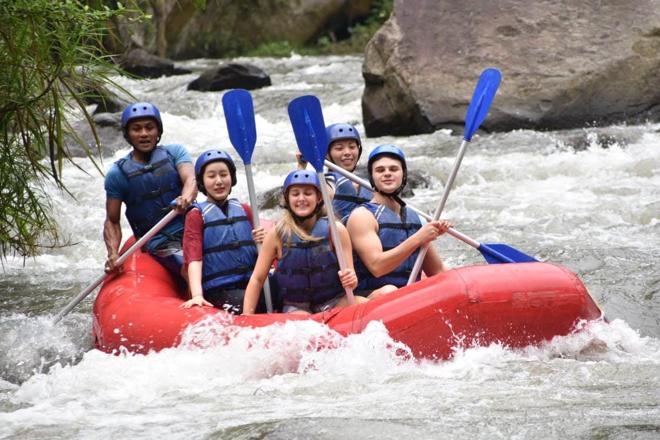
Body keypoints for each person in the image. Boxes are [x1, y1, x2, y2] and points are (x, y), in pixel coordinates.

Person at [243, 170, 365, 315]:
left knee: (366, 304)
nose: (301, 198)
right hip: (296, 308)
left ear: (319, 198)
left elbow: (351, 275)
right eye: (295, 194)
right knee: (303, 319)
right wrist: (247, 315)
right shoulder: (276, 235)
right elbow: (257, 279)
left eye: (308, 193)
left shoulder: (336, 230)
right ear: (287, 199)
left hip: (335, 302)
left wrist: (351, 279)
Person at [103, 102, 196, 280]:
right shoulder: (117, 174)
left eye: (149, 128)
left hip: (194, 227)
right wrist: (113, 253)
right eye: (136, 129)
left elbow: (190, 180)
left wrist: (185, 197)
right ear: (128, 134)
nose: (144, 134)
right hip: (161, 241)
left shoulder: (175, 152)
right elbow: (112, 221)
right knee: (189, 264)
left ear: (158, 131)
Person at [346, 144, 452, 297]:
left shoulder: (415, 217)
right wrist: (418, 238)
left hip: (409, 298)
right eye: (380, 170)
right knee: (389, 291)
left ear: (403, 174)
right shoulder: (362, 216)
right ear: (372, 177)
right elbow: (377, 267)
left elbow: (437, 271)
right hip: (373, 298)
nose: (387, 174)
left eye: (393, 169)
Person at [179, 149, 266, 314]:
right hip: (219, 289)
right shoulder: (196, 215)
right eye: (211, 176)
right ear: (202, 182)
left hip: (252, 282)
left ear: (232, 178)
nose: (219, 181)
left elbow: (263, 250)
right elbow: (194, 258)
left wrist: (264, 239)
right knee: (247, 302)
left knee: (279, 290)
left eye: (224, 175)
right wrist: (197, 295)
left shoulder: (245, 210)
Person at [296, 123, 372, 220]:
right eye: (339, 148)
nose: (347, 153)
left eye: (352, 147)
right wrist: (301, 167)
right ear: (326, 154)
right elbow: (301, 198)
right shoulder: (327, 183)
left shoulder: (367, 182)